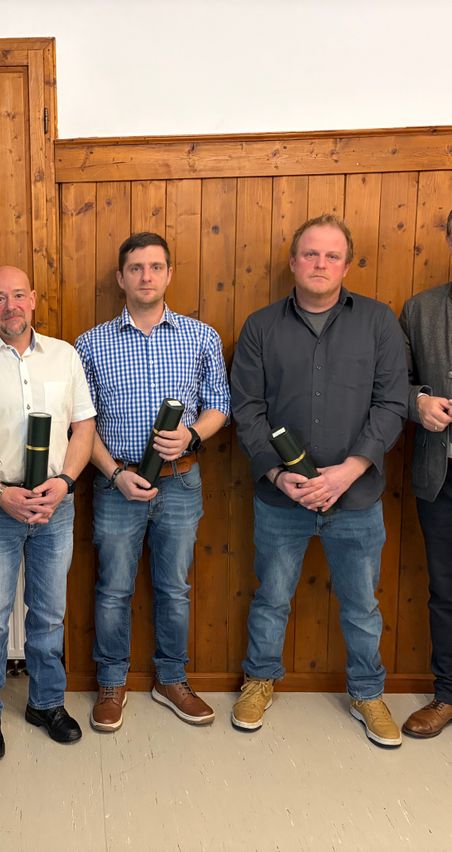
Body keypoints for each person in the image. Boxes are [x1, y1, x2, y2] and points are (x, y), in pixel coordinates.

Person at [230, 214, 408, 747]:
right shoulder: (261, 326)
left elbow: (392, 403)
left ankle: (367, 693)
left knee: (362, 604)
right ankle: (259, 680)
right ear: (292, 262)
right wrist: (279, 473)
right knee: (272, 598)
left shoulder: (379, 322)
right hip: (281, 498)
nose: (320, 264)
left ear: (346, 265)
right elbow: (247, 409)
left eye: (332, 256)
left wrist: (350, 469)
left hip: (355, 496)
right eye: (310, 254)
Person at [74, 232, 230, 732]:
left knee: (175, 589)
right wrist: (115, 474)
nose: (146, 276)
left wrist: (192, 436)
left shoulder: (201, 336)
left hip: (181, 483)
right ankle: (112, 683)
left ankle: (170, 679)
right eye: (136, 268)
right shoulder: (90, 344)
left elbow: (220, 405)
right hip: (116, 484)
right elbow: (82, 424)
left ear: (169, 274)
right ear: (121, 278)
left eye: (155, 266)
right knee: (113, 589)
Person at [0, 265, 96, 761]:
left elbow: (83, 429)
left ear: (33, 299)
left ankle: (45, 703)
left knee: (49, 615)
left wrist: (65, 482)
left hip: (57, 505)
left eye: (18, 295)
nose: (10, 305)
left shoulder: (66, 357)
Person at [398, 208, 452, 738]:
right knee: (446, 590)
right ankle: (447, 694)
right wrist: (419, 403)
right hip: (442, 475)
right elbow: (399, 381)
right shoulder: (420, 309)